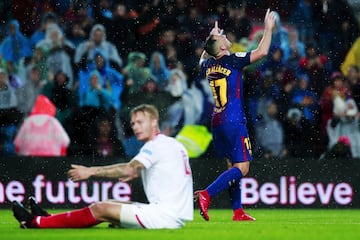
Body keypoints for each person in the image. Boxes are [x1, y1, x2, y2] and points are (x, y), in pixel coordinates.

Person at [12, 104, 194, 229]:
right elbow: (165, 170)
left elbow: (129, 168)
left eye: (140, 122)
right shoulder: (171, 143)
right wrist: (138, 170)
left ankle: (35, 222)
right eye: (132, 124)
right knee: (114, 204)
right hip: (172, 215)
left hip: (163, 217)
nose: (135, 127)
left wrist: (91, 171)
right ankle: (49, 218)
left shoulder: (154, 146)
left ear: (154, 121)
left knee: (100, 209)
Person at [195, 9, 275, 221]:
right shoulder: (232, 60)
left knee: (232, 166)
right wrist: (268, 28)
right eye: (222, 37)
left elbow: (203, 57)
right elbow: (262, 52)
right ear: (221, 47)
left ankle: (238, 211)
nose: (225, 36)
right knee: (243, 168)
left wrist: (211, 37)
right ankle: (206, 194)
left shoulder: (210, 65)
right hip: (233, 120)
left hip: (218, 121)